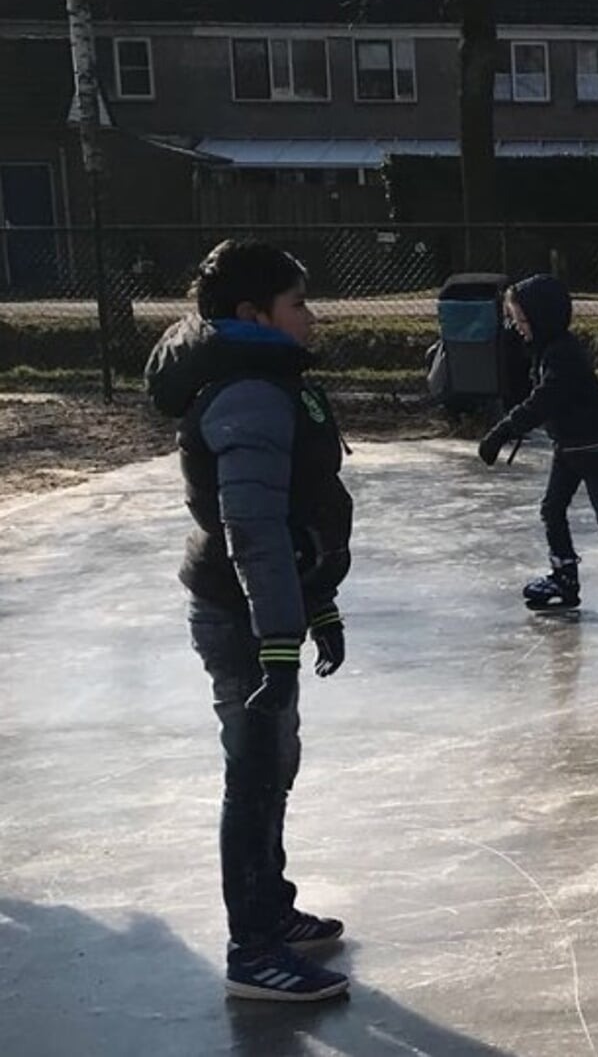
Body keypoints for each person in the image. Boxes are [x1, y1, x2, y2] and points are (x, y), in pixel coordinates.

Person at [144, 240, 355, 1001]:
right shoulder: (248, 394)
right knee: (255, 771)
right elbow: (254, 530)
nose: (312, 315)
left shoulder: (270, 380)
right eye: (298, 302)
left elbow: (301, 514)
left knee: (276, 765)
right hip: (241, 617)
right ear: (251, 314)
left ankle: (272, 902)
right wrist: (275, 643)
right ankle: (252, 947)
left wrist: (318, 602)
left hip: (263, 607)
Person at [478, 274, 598, 622]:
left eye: (522, 320)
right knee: (552, 509)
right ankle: (564, 577)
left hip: (591, 445)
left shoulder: (562, 354)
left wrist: (501, 432)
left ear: (543, 318)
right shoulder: (548, 350)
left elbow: (544, 400)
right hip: (567, 445)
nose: (517, 327)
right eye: (514, 320)